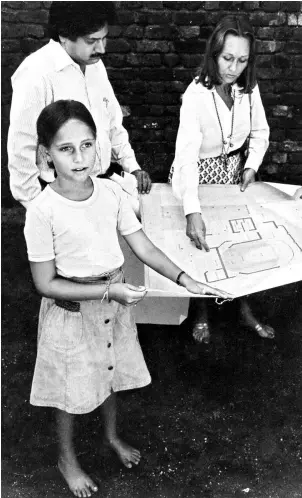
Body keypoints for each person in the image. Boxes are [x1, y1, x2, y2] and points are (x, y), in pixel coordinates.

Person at [24, 99, 231, 497]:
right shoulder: (43, 211)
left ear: (98, 146)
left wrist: (189, 279)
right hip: (73, 311)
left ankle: (111, 436)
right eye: (66, 149)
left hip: (112, 305)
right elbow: (46, 284)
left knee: (110, 375)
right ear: (46, 154)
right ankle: (66, 458)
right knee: (70, 391)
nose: (80, 158)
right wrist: (108, 291)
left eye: (87, 145)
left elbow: (145, 248)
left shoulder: (110, 194)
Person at [169, 15, 275, 344]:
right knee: (202, 245)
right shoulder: (195, 95)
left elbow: (261, 133)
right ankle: (201, 311)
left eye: (242, 60)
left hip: (233, 172)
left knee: (239, 240)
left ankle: (243, 307)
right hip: (197, 174)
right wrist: (191, 209)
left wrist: (251, 166)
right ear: (214, 53)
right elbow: (186, 156)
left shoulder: (248, 89)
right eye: (228, 58)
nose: (233, 68)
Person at [8, 1, 151, 210]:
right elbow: (21, 150)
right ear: (64, 35)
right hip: (62, 197)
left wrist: (132, 167)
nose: (101, 49)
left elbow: (112, 124)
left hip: (103, 186)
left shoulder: (95, 66)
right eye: (91, 40)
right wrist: (40, 209)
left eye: (104, 38)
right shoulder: (36, 74)